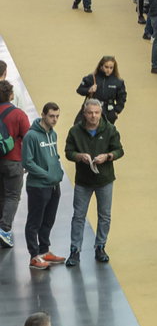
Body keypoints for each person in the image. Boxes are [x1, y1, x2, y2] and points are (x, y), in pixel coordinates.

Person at [63, 97, 120, 266]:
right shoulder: (75, 131)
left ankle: (100, 247)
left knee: (105, 216)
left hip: (105, 179)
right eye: (90, 113)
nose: (93, 116)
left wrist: (108, 156)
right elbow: (68, 152)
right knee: (78, 216)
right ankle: (75, 250)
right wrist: (79, 156)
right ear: (84, 113)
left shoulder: (110, 129)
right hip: (83, 181)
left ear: (101, 113)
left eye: (96, 113)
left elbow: (119, 150)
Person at [20, 101, 64, 269]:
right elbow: (27, 162)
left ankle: (45, 251)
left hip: (54, 185)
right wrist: (46, 174)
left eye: (57, 116)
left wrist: (57, 173)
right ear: (43, 114)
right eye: (51, 116)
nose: (54, 120)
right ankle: (34, 256)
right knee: (34, 222)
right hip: (38, 186)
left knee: (48, 220)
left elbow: (54, 157)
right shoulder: (31, 136)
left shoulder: (53, 134)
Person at [0, 79, 29, 250]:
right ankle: (4, 230)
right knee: (12, 196)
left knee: (1, 195)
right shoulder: (18, 114)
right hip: (13, 160)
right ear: (11, 95)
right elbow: (28, 138)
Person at [75, 56, 127, 124]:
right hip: (91, 109)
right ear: (101, 66)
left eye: (111, 68)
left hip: (108, 111)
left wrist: (116, 111)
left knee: (105, 133)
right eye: (106, 67)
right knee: (78, 128)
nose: (108, 70)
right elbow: (79, 90)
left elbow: (122, 98)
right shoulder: (91, 78)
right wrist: (89, 90)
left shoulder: (118, 82)